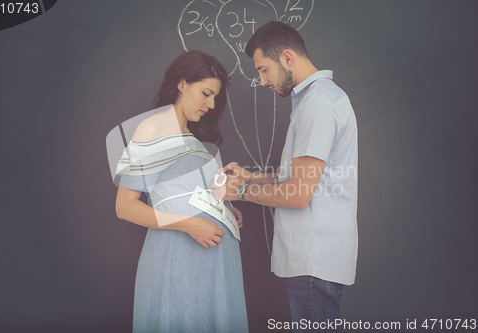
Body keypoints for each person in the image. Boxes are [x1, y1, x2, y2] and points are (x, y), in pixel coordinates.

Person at [213, 21, 358, 332]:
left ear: (288, 58)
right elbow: (296, 178)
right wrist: (250, 176)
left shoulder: (318, 105)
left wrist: (238, 190)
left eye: (264, 69)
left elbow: (297, 194)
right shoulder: (316, 100)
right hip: (315, 262)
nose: (262, 80)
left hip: (312, 262)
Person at [115, 50, 249, 333]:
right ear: (182, 83)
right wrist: (190, 224)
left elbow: (193, 194)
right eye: (206, 93)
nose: (211, 105)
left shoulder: (199, 141)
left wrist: (227, 208)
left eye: (215, 97)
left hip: (218, 267)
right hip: (179, 261)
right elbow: (125, 206)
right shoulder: (151, 129)